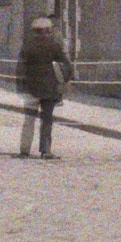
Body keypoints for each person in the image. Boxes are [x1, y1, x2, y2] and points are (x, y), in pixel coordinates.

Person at [17, 15, 72, 158]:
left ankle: (24, 150)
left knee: (29, 119)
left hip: (30, 88)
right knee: (47, 120)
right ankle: (45, 150)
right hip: (49, 88)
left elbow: (20, 68)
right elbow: (67, 65)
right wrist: (65, 81)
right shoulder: (54, 45)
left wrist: (20, 87)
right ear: (48, 30)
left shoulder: (27, 46)